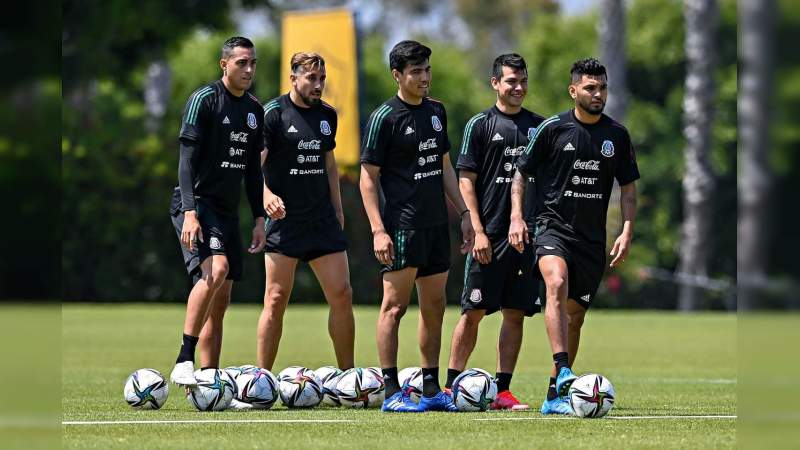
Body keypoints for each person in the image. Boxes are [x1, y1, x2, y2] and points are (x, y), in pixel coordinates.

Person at [510, 58, 639, 414]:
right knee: (555, 282)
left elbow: (628, 189)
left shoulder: (617, 135)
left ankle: (554, 394)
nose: (598, 94)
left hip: (592, 241)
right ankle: (565, 368)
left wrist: (626, 231)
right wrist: (517, 217)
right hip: (552, 228)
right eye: (590, 88)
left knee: (575, 317)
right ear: (574, 91)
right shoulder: (552, 129)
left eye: (602, 88)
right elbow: (521, 174)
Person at [360, 40, 474, 412]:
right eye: (416, 72)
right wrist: (378, 229)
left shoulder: (437, 111)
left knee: (435, 306)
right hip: (402, 228)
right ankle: (392, 390)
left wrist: (465, 214)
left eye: (427, 70)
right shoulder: (384, 118)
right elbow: (367, 178)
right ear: (398, 75)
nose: (424, 77)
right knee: (394, 307)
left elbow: (444, 168)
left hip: (436, 226)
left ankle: (430, 388)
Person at [444, 54, 544, 410]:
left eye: (522, 81)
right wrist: (478, 229)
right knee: (472, 313)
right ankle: (451, 387)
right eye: (510, 81)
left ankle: (502, 390)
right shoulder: (481, 125)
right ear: (495, 84)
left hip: (527, 238)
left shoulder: (540, 127)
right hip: (491, 236)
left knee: (515, 313)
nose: (517, 87)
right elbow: (466, 179)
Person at [169, 36, 267, 386]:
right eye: (241, 62)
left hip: (226, 211)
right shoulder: (204, 100)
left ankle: (209, 380)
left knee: (222, 296)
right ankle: (184, 359)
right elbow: (185, 161)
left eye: (252, 63)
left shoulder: (255, 111)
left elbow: (254, 172)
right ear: (223, 64)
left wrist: (259, 218)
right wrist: (191, 212)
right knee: (217, 269)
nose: (249, 69)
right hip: (196, 203)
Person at [256, 52, 355, 372]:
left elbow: (329, 166)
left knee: (342, 294)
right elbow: (251, 169)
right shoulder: (273, 114)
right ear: (293, 78)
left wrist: (338, 210)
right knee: (275, 298)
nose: (318, 85)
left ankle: (347, 378)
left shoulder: (328, 115)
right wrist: (266, 194)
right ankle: (262, 380)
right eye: (311, 78)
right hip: (285, 223)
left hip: (322, 220)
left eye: (322, 79)